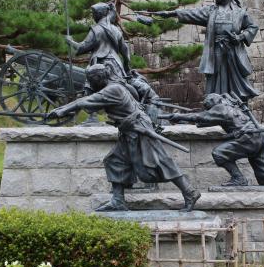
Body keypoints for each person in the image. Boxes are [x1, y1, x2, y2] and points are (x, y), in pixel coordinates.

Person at [47, 64, 201, 212]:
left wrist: (62, 111)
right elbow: (86, 101)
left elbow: (85, 101)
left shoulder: (113, 89)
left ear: (98, 78)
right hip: (129, 130)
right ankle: (118, 200)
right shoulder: (114, 86)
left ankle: (190, 192)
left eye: (91, 80)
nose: (90, 83)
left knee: (159, 161)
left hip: (138, 128)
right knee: (115, 160)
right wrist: (61, 109)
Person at [150, 0, 260, 101]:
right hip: (216, 50)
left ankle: (238, 104)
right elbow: (192, 13)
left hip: (233, 51)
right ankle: (216, 102)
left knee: (236, 79)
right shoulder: (211, 11)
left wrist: (240, 37)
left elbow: (252, 27)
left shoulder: (239, 12)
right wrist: (171, 13)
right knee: (214, 77)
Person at [165, 93, 264, 187]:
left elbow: (200, 117)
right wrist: (181, 119)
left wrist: (179, 116)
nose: (207, 107)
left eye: (207, 105)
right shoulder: (231, 107)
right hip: (257, 138)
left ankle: (239, 179)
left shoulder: (220, 108)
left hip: (248, 138)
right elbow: (203, 121)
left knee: (219, 153)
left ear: (213, 102)